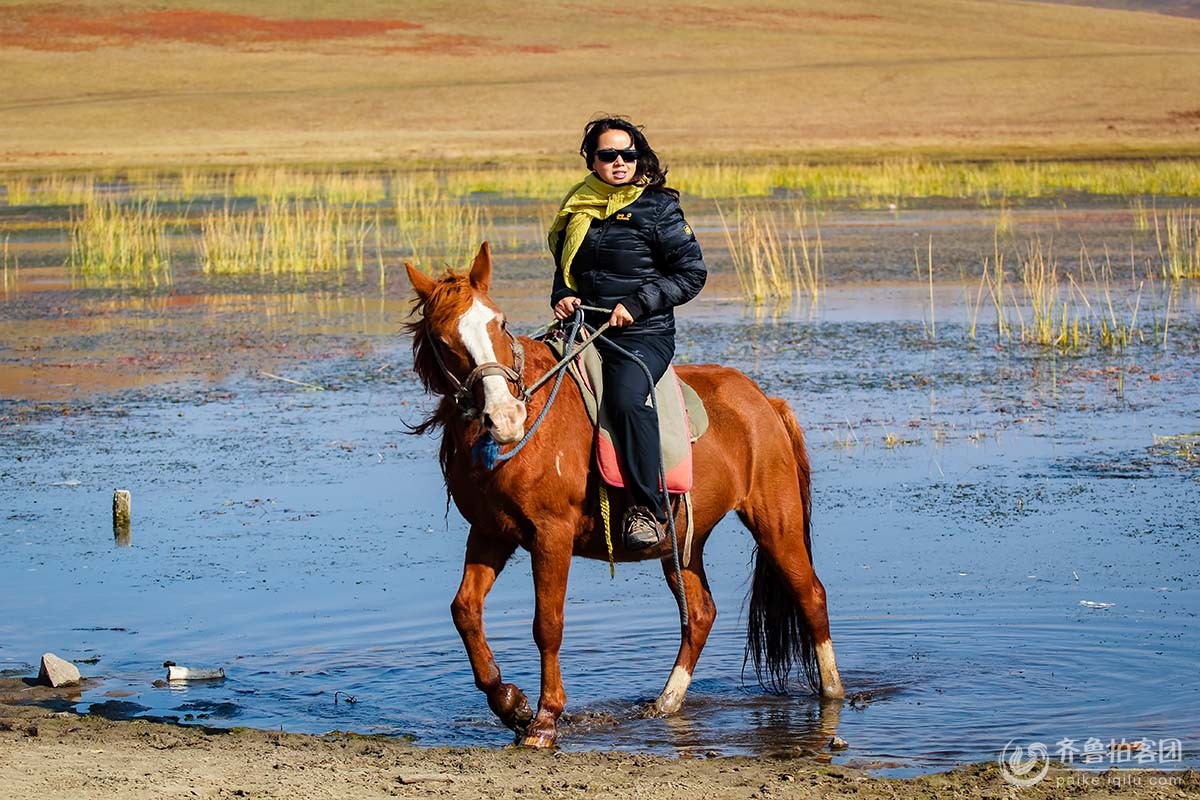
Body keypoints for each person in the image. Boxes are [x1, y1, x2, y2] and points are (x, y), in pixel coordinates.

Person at [547, 117, 707, 550]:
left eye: (628, 155)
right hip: (583, 327)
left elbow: (692, 274)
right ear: (591, 160)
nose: (619, 163)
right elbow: (568, 271)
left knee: (625, 399)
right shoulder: (578, 206)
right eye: (608, 155)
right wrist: (562, 295)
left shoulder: (659, 209)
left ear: (639, 158)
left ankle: (648, 510)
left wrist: (636, 305)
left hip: (644, 333)